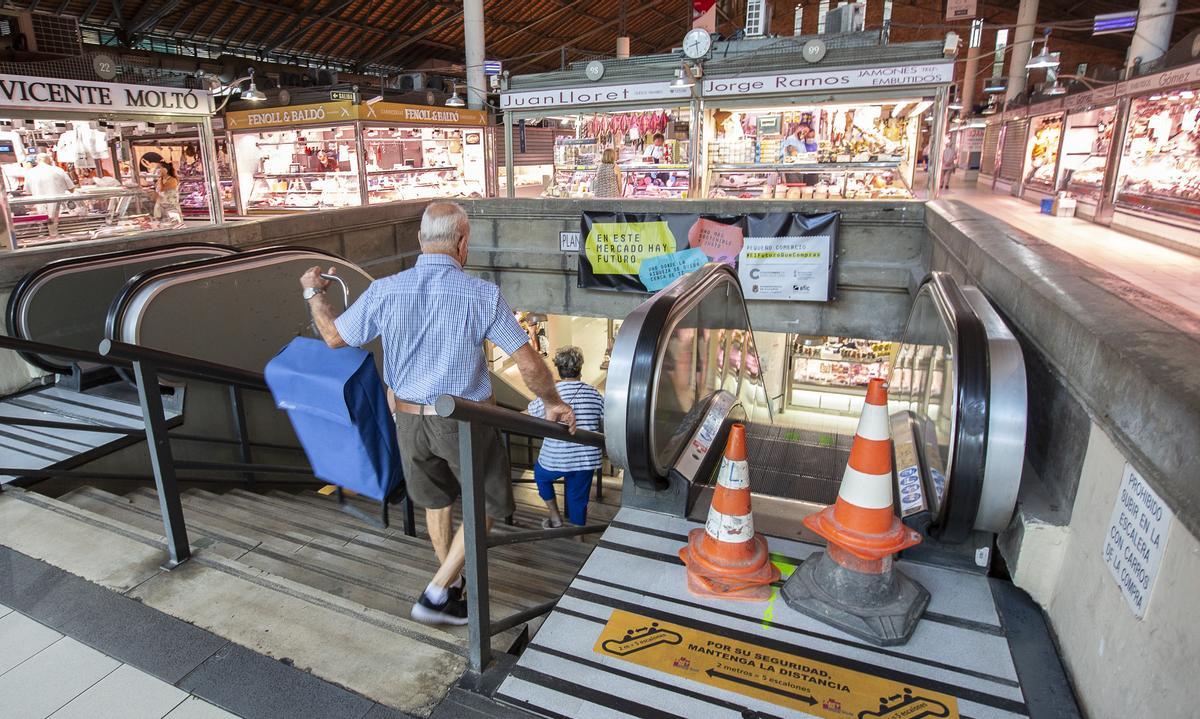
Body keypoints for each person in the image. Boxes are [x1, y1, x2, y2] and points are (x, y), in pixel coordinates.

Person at [300, 201, 576, 626]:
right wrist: (554, 403)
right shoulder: (481, 295)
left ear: (420, 240)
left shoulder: (385, 290)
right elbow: (526, 362)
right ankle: (435, 591)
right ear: (463, 243)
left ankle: (450, 587)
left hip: (407, 419)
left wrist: (314, 293)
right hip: (462, 419)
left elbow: (335, 337)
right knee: (483, 500)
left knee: (437, 501)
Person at [527, 346, 604, 530]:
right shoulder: (594, 394)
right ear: (580, 368)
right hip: (586, 458)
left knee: (541, 476)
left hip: (555, 458)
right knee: (578, 498)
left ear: (558, 369)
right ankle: (579, 537)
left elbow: (528, 414)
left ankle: (555, 518)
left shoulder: (550, 395)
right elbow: (604, 421)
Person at [24, 153, 76, 236]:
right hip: (60, 208)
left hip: (40, 208)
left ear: (37, 161)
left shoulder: (30, 173)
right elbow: (71, 189)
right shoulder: (58, 170)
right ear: (49, 160)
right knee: (58, 230)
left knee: (46, 229)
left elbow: (28, 193)